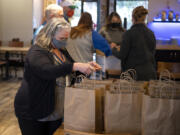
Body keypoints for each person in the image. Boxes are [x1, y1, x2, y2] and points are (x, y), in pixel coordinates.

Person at [14, 18, 101, 135]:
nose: (64, 41)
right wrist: (75, 66)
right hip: (35, 109)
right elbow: (47, 71)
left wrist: (86, 67)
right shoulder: (37, 51)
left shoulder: (61, 50)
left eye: (66, 38)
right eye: (61, 38)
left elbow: (70, 72)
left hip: (55, 110)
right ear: (49, 35)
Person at [111, 6, 157, 81]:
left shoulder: (129, 34)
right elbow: (152, 53)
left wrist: (113, 48)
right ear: (144, 18)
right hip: (150, 74)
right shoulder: (151, 34)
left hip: (133, 75)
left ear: (133, 18)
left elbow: (122, 55)